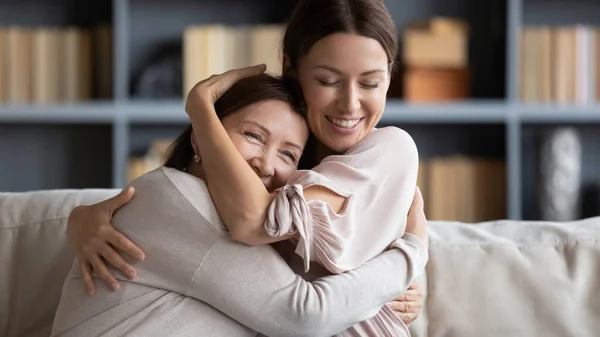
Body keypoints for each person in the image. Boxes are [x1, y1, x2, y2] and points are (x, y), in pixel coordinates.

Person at [65, 0, 427, 330]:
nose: (350, 104)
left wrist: (412, 272)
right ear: (292, 68)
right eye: (328, 80)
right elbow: (300, 305)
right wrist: (412, 253)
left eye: (371, 82)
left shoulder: (386, 151)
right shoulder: (193, 200)